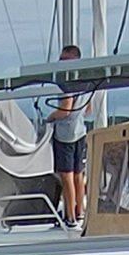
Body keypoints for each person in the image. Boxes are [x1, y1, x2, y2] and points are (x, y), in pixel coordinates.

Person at [48, 55, 91, 227]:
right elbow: (88, 109)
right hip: (80, 132)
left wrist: (49, 118)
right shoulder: (86, 83)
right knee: (78, 175)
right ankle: (79, 212)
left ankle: (70, 216)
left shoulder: (66, 84)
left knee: (67, 177)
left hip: (65, 135)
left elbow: (65, 109)